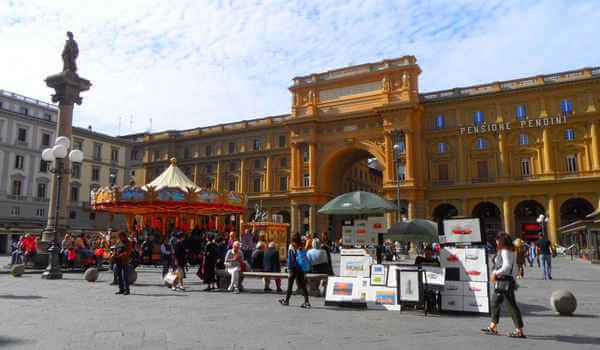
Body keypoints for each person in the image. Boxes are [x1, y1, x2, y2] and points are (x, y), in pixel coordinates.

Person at [482, 232, 525, 338]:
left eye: (497, 240)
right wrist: (513, 279)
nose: (496, 242)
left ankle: (519, 330)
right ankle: (493, 326)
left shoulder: (505, 250)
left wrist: (495, 274)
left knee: (511, 305)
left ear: (500, 241)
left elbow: (506, 266)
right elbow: (514, 268)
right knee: (495, 302)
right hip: (505, 281)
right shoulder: (512, 250)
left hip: (503, 281)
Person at [279, 233, 310, 308]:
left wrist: (289, 269)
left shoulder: (291, 247)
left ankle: (287, 301)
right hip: (301, 268)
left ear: (293, 240)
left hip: (293, 268)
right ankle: (307, 302)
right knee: (303, 285)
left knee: (290, 286)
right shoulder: (302, 246)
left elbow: (290, 260)